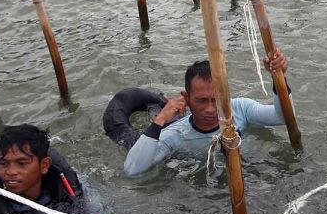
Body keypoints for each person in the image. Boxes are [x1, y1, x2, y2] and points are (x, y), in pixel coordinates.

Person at [123, 53, 292, 176]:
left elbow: (282, 117)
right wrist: (160, 120)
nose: (210, 109)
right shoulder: (176, 135)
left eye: (216, 100)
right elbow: (133, 170)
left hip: (248, 170)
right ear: (186, 99)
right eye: (201, 101)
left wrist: (279, 78)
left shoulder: (240, 108)